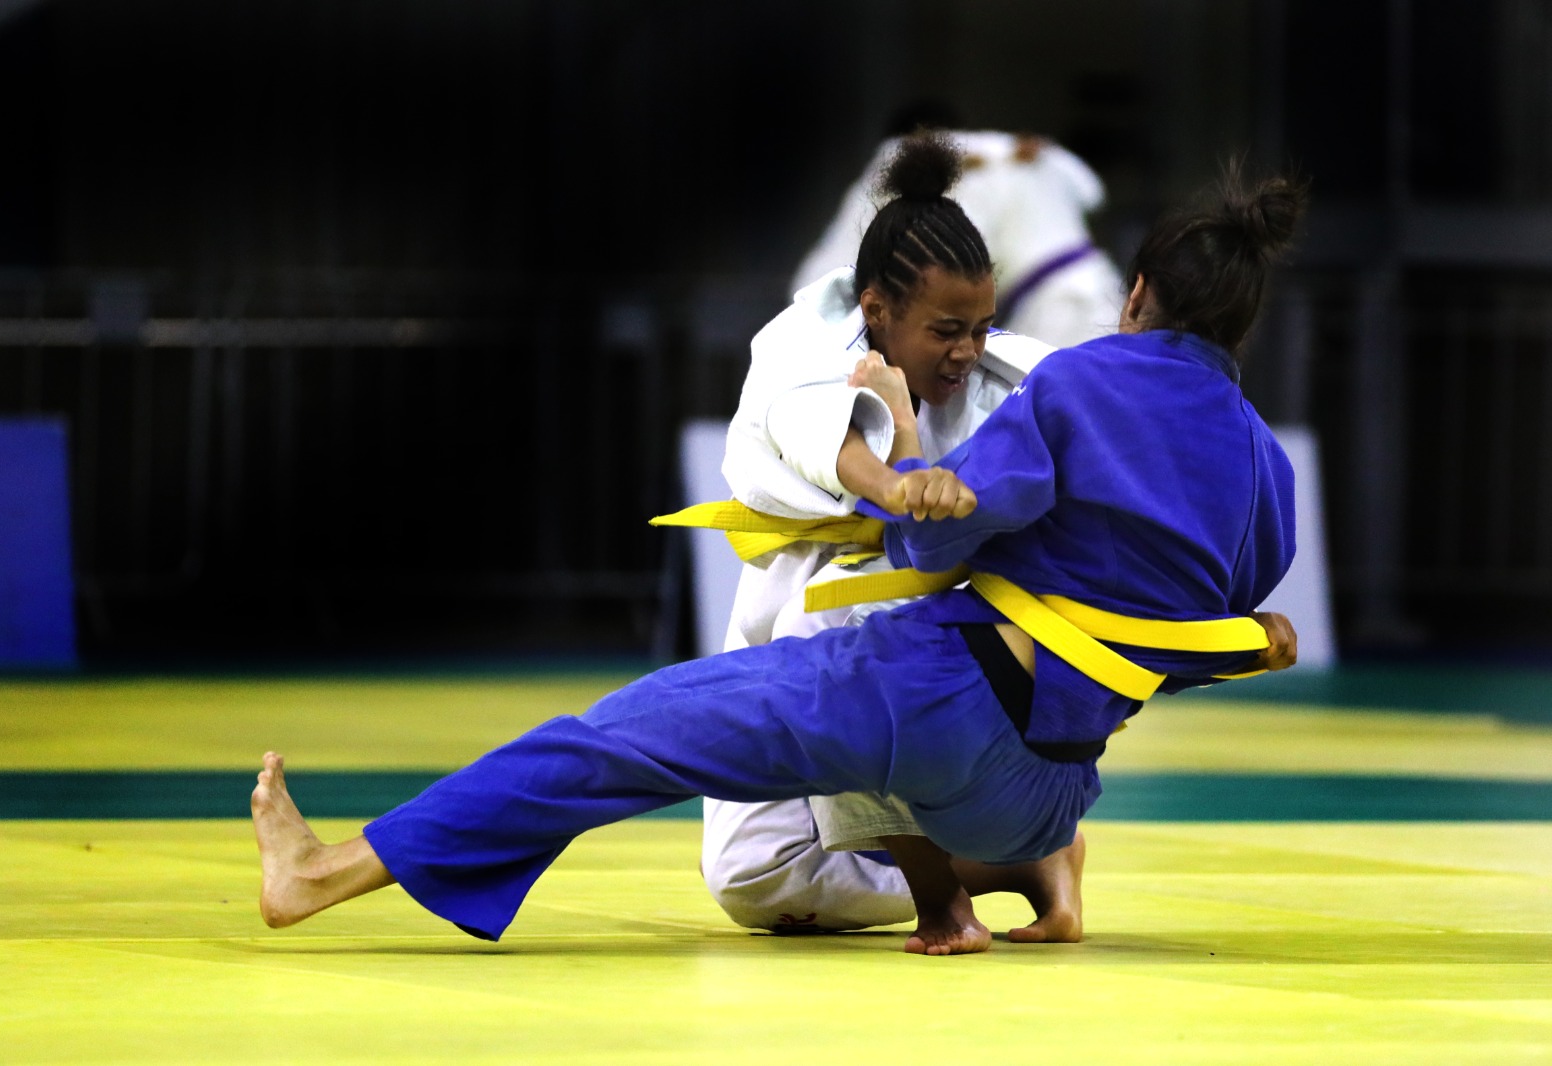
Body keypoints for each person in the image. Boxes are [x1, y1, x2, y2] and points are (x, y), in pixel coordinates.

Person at [251, 158, 1307, 957]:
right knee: (798, 807)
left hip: (936, 709)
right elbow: (1196, 640)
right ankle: (1031, 871)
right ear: (1242, 329)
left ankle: (324, 871)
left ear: (1134, 294)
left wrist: (908, 457)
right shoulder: (1267, 465)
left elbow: (926, 539)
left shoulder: (1074, 385)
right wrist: (1252, 642)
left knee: (622, 737)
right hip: (1050, 790)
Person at [696, 132, 1081, 946]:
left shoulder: (1015, 374)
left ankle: (948, 898)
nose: (967, 350)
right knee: (753, 877)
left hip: (939, 636)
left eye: (981, 326)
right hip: (793, 588)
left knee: (853, 646)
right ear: (877, 310)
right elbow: (817, 430)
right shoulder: (804, 336)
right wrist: (896, 475)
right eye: (946, 330)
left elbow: (1108, 457)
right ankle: (1020, 864)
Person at [790, 104, 1125, 349]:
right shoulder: (1030, 154)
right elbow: (1093, 192)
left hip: (1056, 305)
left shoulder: (905, 157)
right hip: (1099, 287)